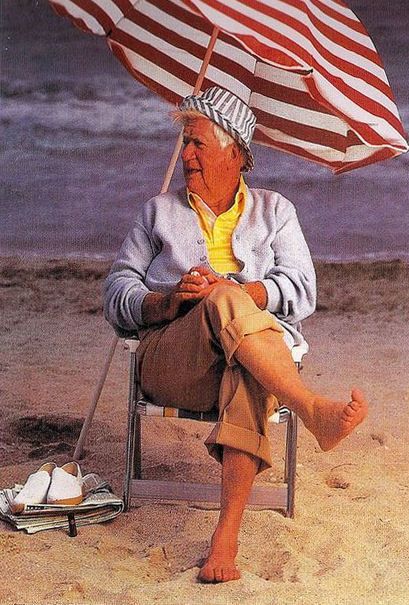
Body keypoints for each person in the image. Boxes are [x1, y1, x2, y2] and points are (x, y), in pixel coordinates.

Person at [104, 86, 368, 584]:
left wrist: (246, 290)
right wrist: (167, 301)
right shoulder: (157, 212)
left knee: (244, 358)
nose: (186, 155)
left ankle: (226, 534)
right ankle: (312, 409)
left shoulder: (275, 211)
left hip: (246, 355)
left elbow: (303, 290)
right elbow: (116, 292)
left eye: (198, 144)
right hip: (172, 359)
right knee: (227, 306)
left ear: (236, 154)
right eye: (186, 143)